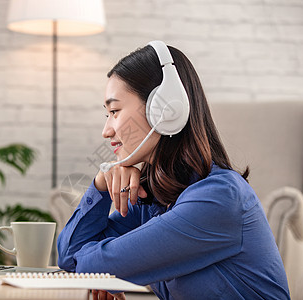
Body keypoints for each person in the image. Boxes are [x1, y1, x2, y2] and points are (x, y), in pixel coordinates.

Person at [57, 41, 290, 300]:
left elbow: (88, 267)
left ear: (164, 109)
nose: (106, 131)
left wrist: (103, 270)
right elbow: (69, 257)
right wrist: (102, 183)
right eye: (107, 115)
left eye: (115, 111)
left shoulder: (218, 198)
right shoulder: (154, 197)